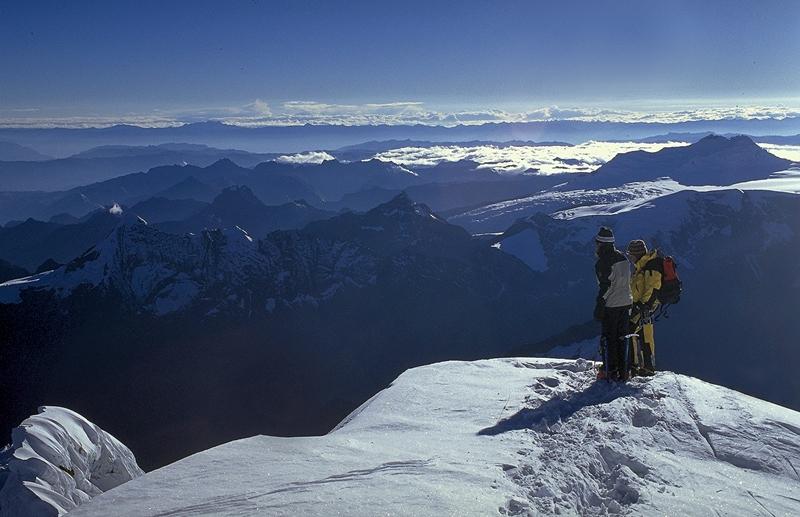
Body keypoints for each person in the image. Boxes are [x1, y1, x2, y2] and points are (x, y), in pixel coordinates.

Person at [593, 227, 632, 381]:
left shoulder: (602, 262)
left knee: (610, 337)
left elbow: (606, 286)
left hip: (612, 304)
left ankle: (609, 369)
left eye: (596, 243)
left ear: (601, 243)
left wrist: (600, 304)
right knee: (622, 337)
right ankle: (624, 370)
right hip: (627, 302)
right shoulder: (623, 258)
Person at [626, 239, 660, 376]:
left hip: (645, 307)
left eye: (631, 254)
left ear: (636, 254)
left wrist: (642, 306)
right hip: (643, 306)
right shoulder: (643, 265)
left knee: (634, 332)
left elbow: (653, 288)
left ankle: (638, 366)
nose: (629, 257)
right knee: (643, 335)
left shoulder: (650, 266)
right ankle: (646, 366)